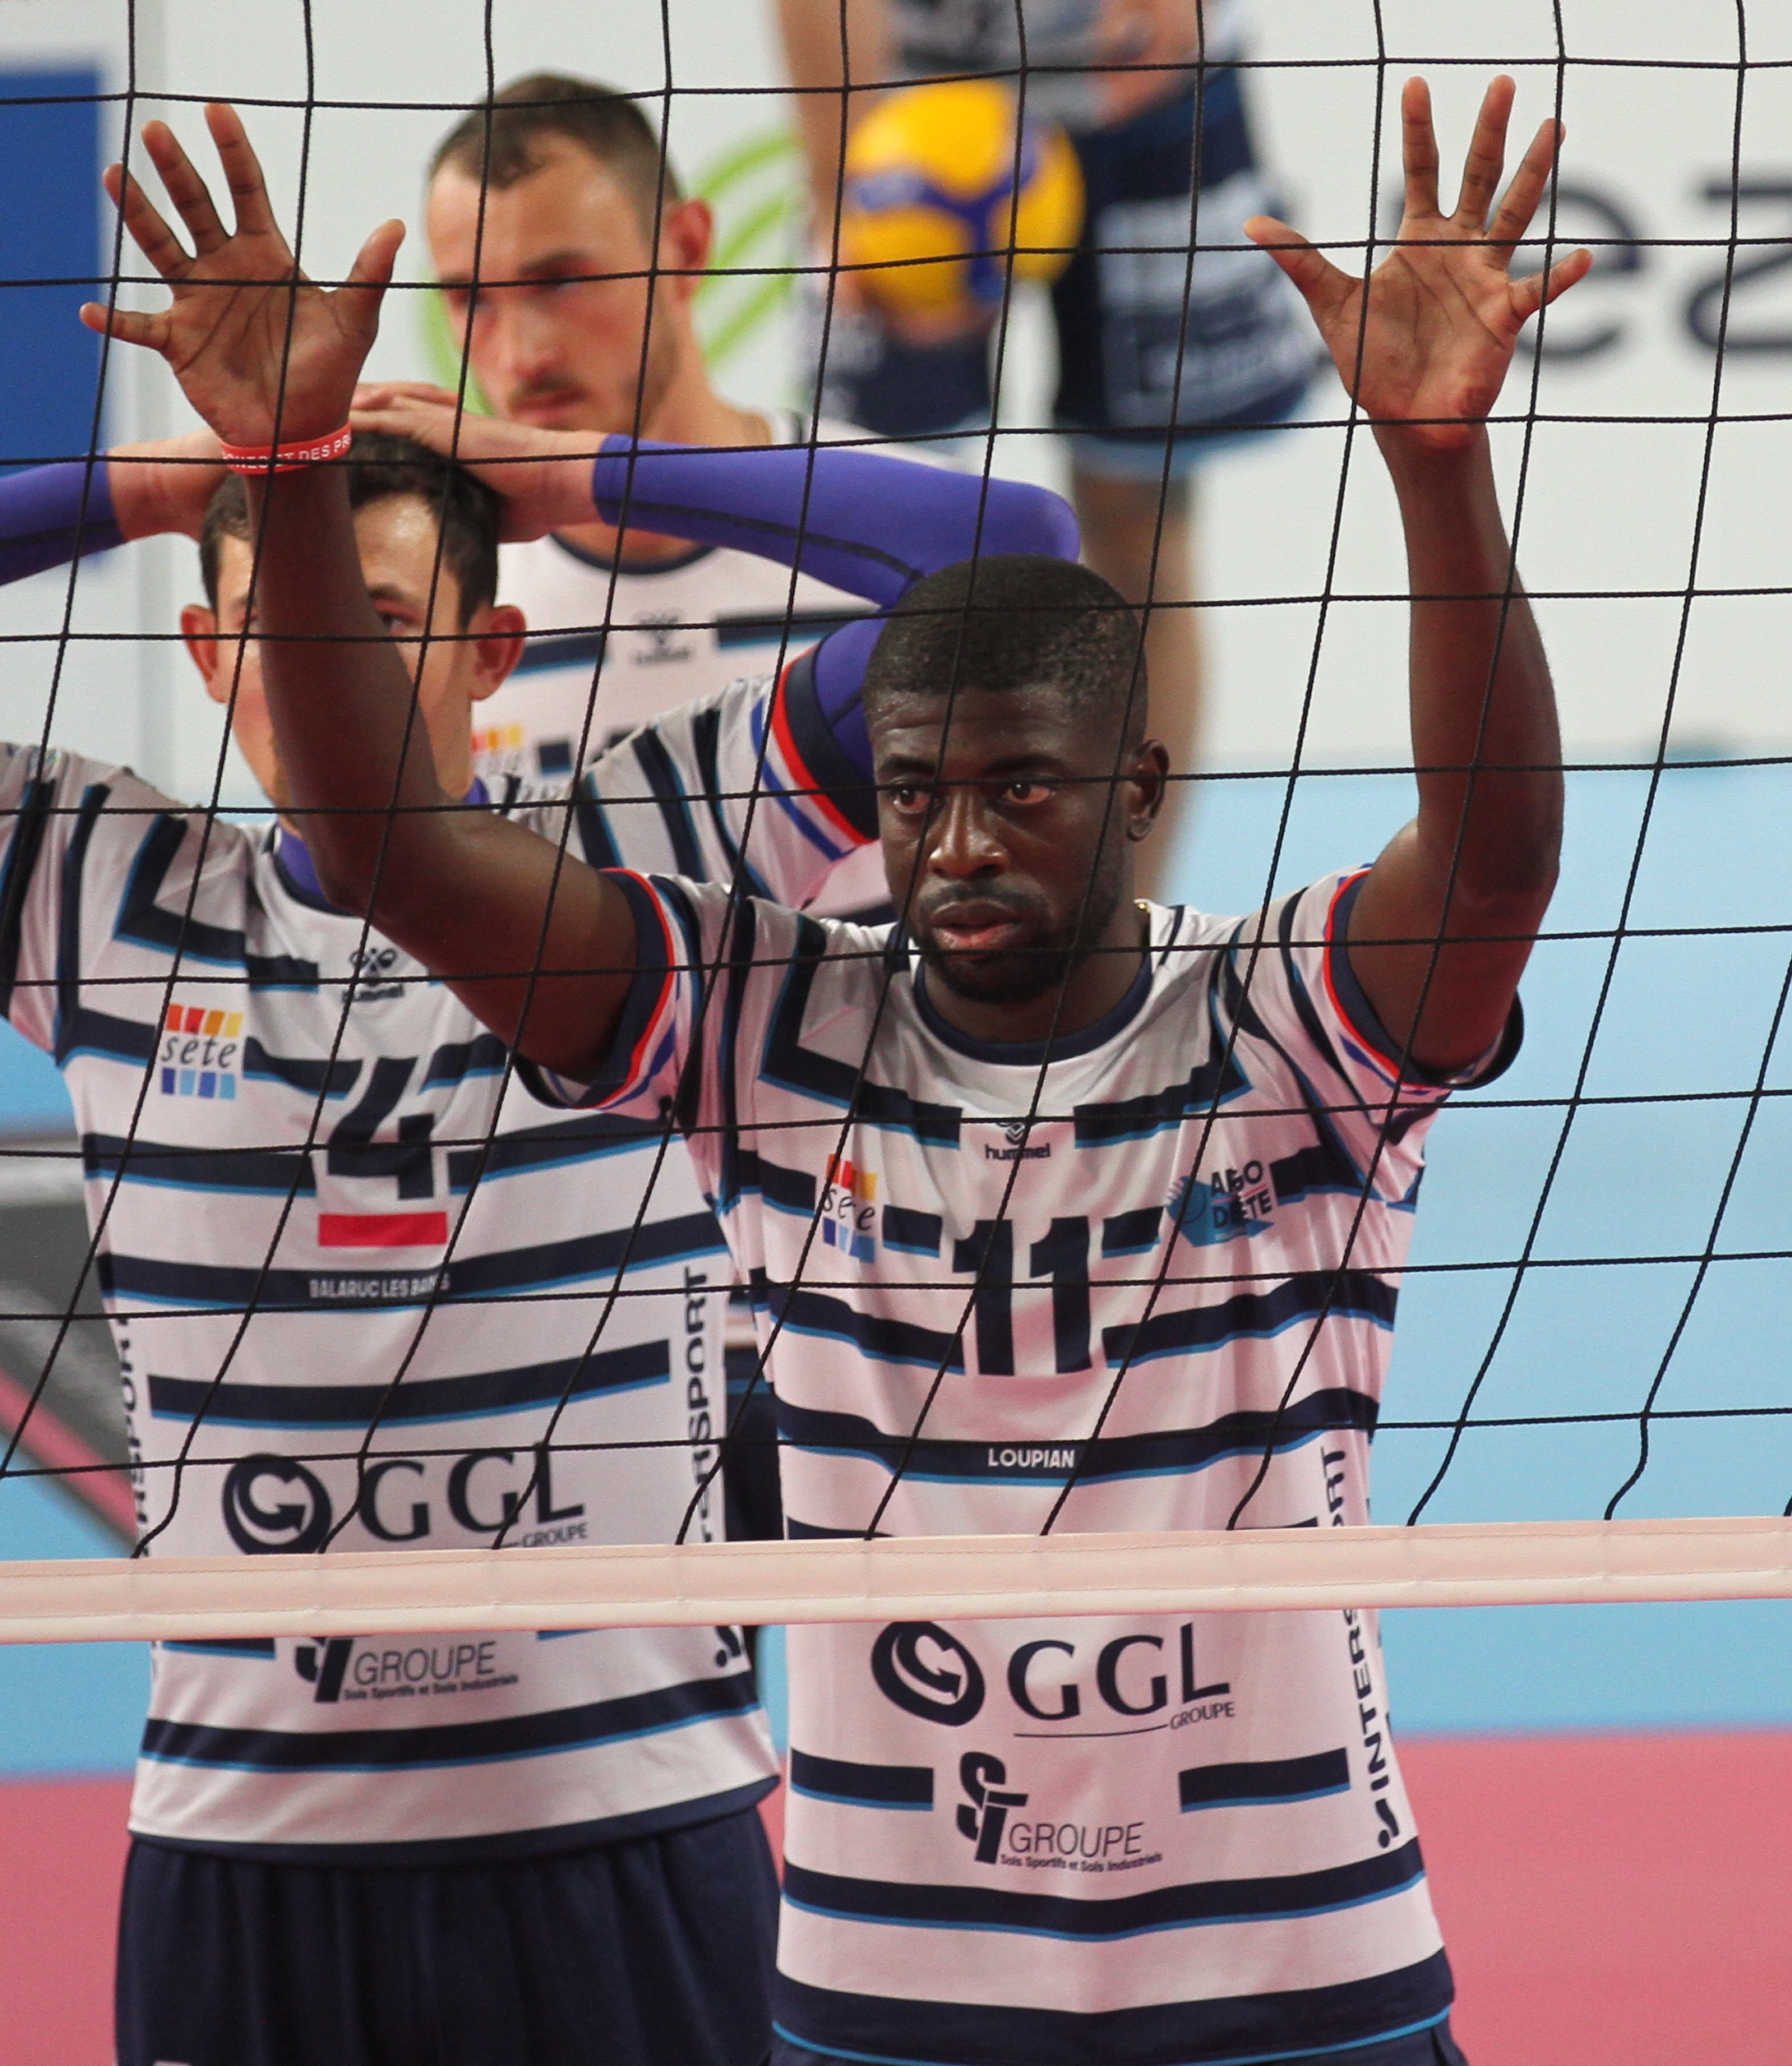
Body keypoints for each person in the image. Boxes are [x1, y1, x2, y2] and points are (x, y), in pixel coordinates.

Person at [98, 76, 1586, 2066]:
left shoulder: (1286, 1025)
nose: (955, 844)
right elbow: (386, 848)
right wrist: (283, 463)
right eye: (911, 797)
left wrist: (1435, 463)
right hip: (893, 1986)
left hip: (1298, 1979)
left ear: (1137, 788)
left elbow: (1488, 863)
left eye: (1019, 789)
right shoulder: (762, 1032)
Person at [0, 411, 1074, 2062]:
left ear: (494, 649)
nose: (322, 667)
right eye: (273, 623)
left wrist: (569, 474)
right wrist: (156, 483)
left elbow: (1015, 568)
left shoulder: (647, 848)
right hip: (249, 1846)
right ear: (208, 653)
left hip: (629, 1822)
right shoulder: (93, 888)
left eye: (378, 615)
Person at [777, 0, 1317, 894]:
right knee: (880, 539)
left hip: (1143, 89)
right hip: (913, 111)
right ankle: (884, 911)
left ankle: (1131, 917)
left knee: (1139, 531)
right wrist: (841, 188)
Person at [426, 72, 878, 898]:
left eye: (561, 280)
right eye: (470, 300)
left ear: (687, 249)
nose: (521, 354)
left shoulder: (897, 530)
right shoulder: (433, 597)